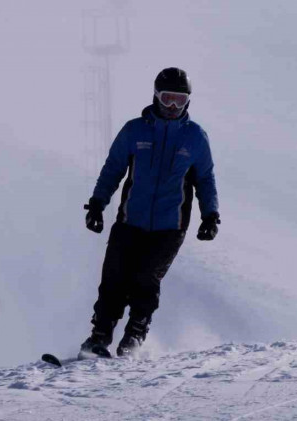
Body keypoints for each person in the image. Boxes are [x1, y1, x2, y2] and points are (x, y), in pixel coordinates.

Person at [81, 67, 220, 358]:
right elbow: (113, 169)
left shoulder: (195, 137)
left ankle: (134, 335)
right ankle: (100, 335)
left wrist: (210, 215)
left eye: (179, 101)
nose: (172, 107)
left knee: (146, 278)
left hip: (170, 226)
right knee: (114, 276)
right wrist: (97, 203)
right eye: (168, 98)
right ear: (156, 96)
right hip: (130, 220)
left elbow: (205, 178)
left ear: (188, 102)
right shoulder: (135, 130)